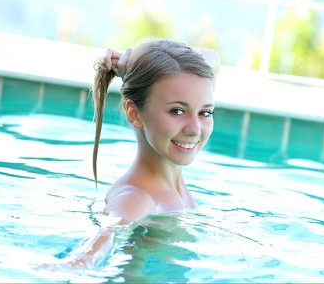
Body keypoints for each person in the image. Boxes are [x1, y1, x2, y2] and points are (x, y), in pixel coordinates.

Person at [39, 39, 220, 270]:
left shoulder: (167, 184)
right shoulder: (136, 198)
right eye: (177, 111)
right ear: (134, 113)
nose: (195, 129)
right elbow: (88, 254)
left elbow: (212, 59)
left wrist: (137, 61)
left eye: (205, 112)